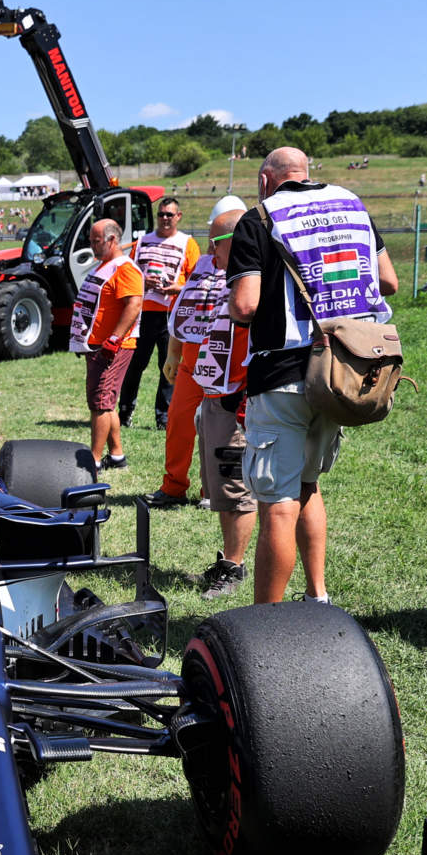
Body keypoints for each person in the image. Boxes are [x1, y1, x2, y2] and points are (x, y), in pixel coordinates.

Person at [227, 148, 398, 604]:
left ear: (266, 180)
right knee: (308, 484)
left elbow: (244, 306)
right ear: (306, 174)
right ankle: (317, 595)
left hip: (283, 372)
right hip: (344, 371)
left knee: (277, 502)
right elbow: (388, 282)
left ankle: (268, 622)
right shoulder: (352, 205)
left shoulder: (259, 218)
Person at [145, 197, 244, 510]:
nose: (212, 247)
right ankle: (173, 486)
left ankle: (210, 489)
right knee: (178, 422)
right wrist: (173, 353)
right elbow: (183, 307)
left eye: (217, 240)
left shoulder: (248, 268)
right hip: (190, 361)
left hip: (224, 365)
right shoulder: (201, 264)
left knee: (214, 428)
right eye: (210, 239)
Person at [189, 207, 258, 597]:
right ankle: (228, 559)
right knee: (219, 487)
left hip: (235, 400)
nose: (210, 252)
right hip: (215, 396)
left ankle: (234, 566)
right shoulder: (228, 280)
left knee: (235, 486)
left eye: (214, 242)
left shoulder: (251, 285)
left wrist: (239, 397)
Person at [69, 218, 142, 471]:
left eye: (96, 241)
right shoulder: (104, 266)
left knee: (101, 403)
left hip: (115, 346)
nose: (91, 246)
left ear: (112, 240)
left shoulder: (125, 268)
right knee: (104, 402)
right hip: (96, 345)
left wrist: (114, 338)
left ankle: (94, 460)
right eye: (90, 241)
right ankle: (117, 455)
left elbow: (134, 304)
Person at [122, 198, 199, 429]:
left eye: (169, 215)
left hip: (171, 313)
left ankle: (163, 418)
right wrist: (144, 281)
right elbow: (129, 274)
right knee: (135, 365)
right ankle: (125, 413)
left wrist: (176, 288)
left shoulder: (188, 243)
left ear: (179, 216)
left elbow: (197, 281)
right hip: (143, 313)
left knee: (168, 367)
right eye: (161, 214)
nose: (165, 219)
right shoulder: (143, 242)